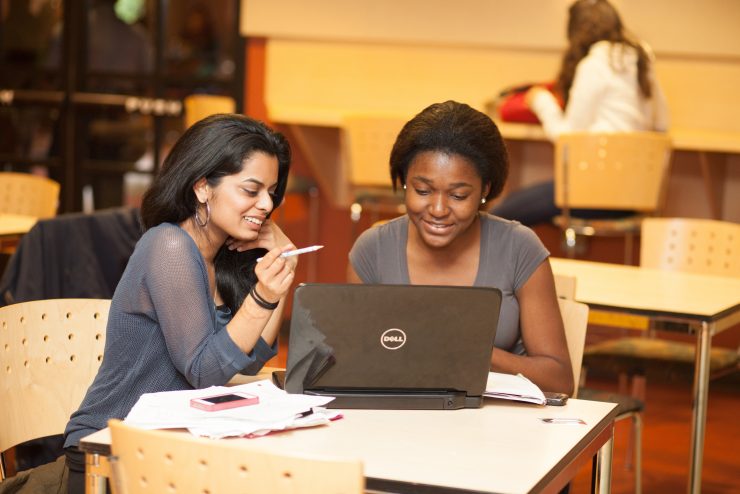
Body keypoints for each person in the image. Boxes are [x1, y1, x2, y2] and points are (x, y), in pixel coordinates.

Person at [62, 114, 297, 493]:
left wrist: (280, 273)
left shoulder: (221, 257)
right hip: (109, 453)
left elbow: (252, 358)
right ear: (203, 188)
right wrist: (262, 297)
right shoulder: (168, 246)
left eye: (271, 191)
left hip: (172, 450)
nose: (267, 204)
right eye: (251, 190)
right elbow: (205, 371)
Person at [348, 100, 573, 395]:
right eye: (423, 191)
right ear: (404, 182)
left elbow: (559, 380)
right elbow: (352, 364)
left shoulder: (519, 249)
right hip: (400, 424)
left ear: (485, 190)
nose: (438, 209)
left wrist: (465, 349)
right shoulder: (373, 250)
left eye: (458, 195)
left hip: (499, 429)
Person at [491, 0, 670, 226]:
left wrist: (541, 101)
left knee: (499, 215)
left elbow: (567, 138)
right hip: (637, 195)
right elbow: (663, 124)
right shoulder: (643, 59)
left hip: (593, 193)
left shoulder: (593, 64)